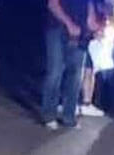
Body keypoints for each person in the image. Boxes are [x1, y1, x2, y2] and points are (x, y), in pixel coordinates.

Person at [41, 0, 96, 129]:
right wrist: (69, 24)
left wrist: (96, 26)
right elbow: (52, 4)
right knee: (55, 72)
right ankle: (49, 115)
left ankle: (69, 116)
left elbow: (90, 16)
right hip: (57, 29)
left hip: (79, 36)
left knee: (75, 77)